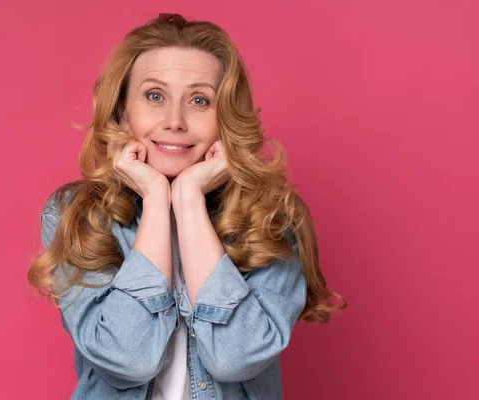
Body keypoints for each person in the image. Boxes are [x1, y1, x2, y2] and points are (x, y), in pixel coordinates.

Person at [28, 13, 346, 400]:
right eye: (155, 96)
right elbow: (127, 359)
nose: (175, 121)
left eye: (199, 100)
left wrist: (189, 198)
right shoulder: (75, 214)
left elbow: (237, 358)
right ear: (122, 110)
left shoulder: (273, 217)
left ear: (225, 117)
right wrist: (156, 201)